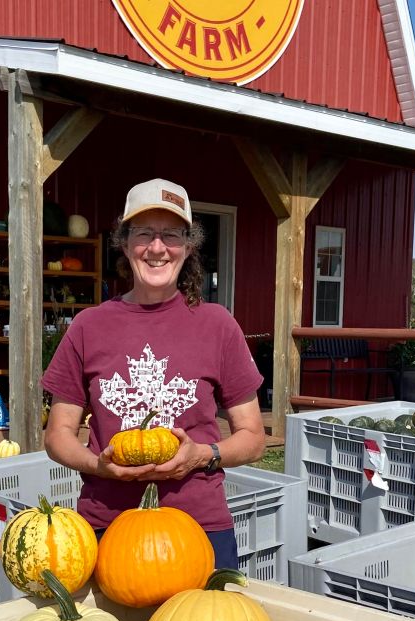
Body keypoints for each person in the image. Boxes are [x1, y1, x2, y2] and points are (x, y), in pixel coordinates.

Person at [42, 177, 265, 568]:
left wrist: (202, 456)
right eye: (144, 233)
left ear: (188, 245)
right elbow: (57, 435)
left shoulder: (218, 324)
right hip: (107, 525)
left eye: (171, 235)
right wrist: (99, 466)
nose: (157, 247)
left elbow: (253, 438)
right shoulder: (87, 326)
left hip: (198, 526)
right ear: (124, 243)